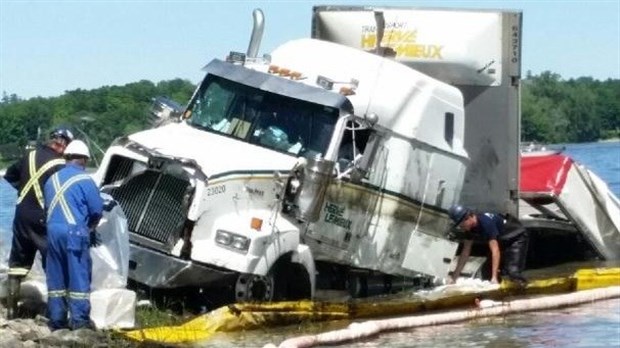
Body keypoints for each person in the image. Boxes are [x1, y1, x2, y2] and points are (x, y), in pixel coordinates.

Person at [3, 127, 74, 319]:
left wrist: (25, 193)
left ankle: (11, 312)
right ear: (63, 145)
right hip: (42, 217)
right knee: (53, 262)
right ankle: (56, 312)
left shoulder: (29, 155)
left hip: (21, 214)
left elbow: (9, 175)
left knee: (17, 262)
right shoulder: (61, 164)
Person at [43, 140, 103, 330]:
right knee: (79, 276)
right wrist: (91, 228)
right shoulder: (85, 180)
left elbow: (48, 208)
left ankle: (57, 320)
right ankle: (79, 321)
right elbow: (96, 210)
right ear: (84, 160)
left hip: (52, 232)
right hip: (74, 233)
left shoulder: (51, 179)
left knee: (56, 276)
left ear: (66, 158)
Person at [448, 204, 529, 285]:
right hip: (502, 240)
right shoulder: (469, 229)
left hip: (516, 237)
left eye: (462, 225)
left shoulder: (486, 223)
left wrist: (494, 277)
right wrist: (454, 277)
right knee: (486, 272)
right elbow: (465, 253)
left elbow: (495, 251)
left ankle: (523, 287)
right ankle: (499, 289)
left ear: (469, 217)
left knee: (512, 272)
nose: (462, 228)